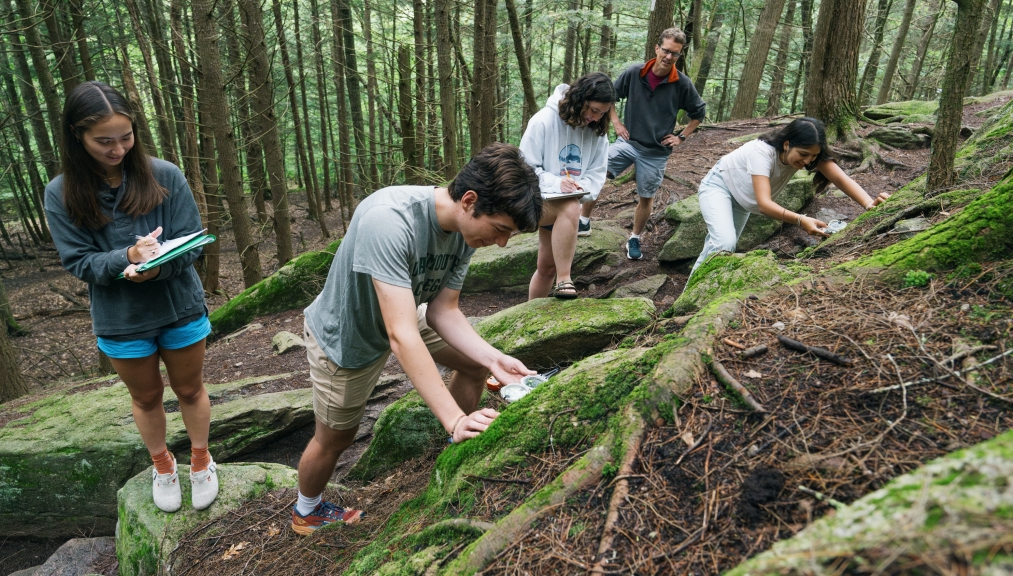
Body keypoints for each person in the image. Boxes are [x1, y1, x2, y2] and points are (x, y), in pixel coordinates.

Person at [291, 143, 542, 535]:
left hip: (406, 310)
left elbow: (444, 311)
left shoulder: (464, 230)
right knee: (336, 438)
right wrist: (454, 417)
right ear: (469, 201)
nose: (502, 243)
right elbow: (401, 335)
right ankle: (306, 511)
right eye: (501, 230)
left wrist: (495, 359)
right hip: (346, 335)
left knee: (475, 364)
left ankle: (454, 448)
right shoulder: (389, 219)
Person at [44, 81, 217, 513]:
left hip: (179, 306)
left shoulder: (165, 176)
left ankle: (201, 459)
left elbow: (192, 243)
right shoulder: (60, 193)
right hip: (121, 318)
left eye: (126, 136)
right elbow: (78, 261)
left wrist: (158, 265)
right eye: (104, 141)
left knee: (190, 390)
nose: (118, 148)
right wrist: (126, 258)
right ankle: (162, 466)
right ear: (77, 137)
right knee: (145, 397)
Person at [689, 117, 891, 276]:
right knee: (723, 244)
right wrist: (800, 220)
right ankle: (687, 301)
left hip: (742, 202)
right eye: (803, 154)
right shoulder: (761, 152)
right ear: (786, 144)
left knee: (718, 247)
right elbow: (765, 205)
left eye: (813, 156)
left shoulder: (809, 156)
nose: (808, 161)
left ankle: (690, 299)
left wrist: (868, 203)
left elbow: (840, 179)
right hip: (719, 186)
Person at [581, 27, 706, 260]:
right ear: (657, 48)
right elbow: (611, 98)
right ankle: (583, 220)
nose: (669, 57)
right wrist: (616, 122)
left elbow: (699, 113)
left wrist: (681, 136)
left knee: (646, 196)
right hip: (628, 142)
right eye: (666, 51)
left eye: (675, 54)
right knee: (596, 172)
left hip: (656, 152)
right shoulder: (634, 72)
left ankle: (635, 238)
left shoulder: (682, 84)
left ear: (679, 56)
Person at [520, 72, 615, 300]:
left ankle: (527, 319)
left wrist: (580, 186)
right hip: (535, 199)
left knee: (546, 267)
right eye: (593, 110)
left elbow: (597, 173)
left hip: (563, 204)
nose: (595, 117)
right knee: (571, 207)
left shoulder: (597, 133)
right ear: (580, 99)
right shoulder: (543, 120)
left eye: (602, 113)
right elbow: (525, 167)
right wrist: (556, 183)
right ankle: (565, 279)